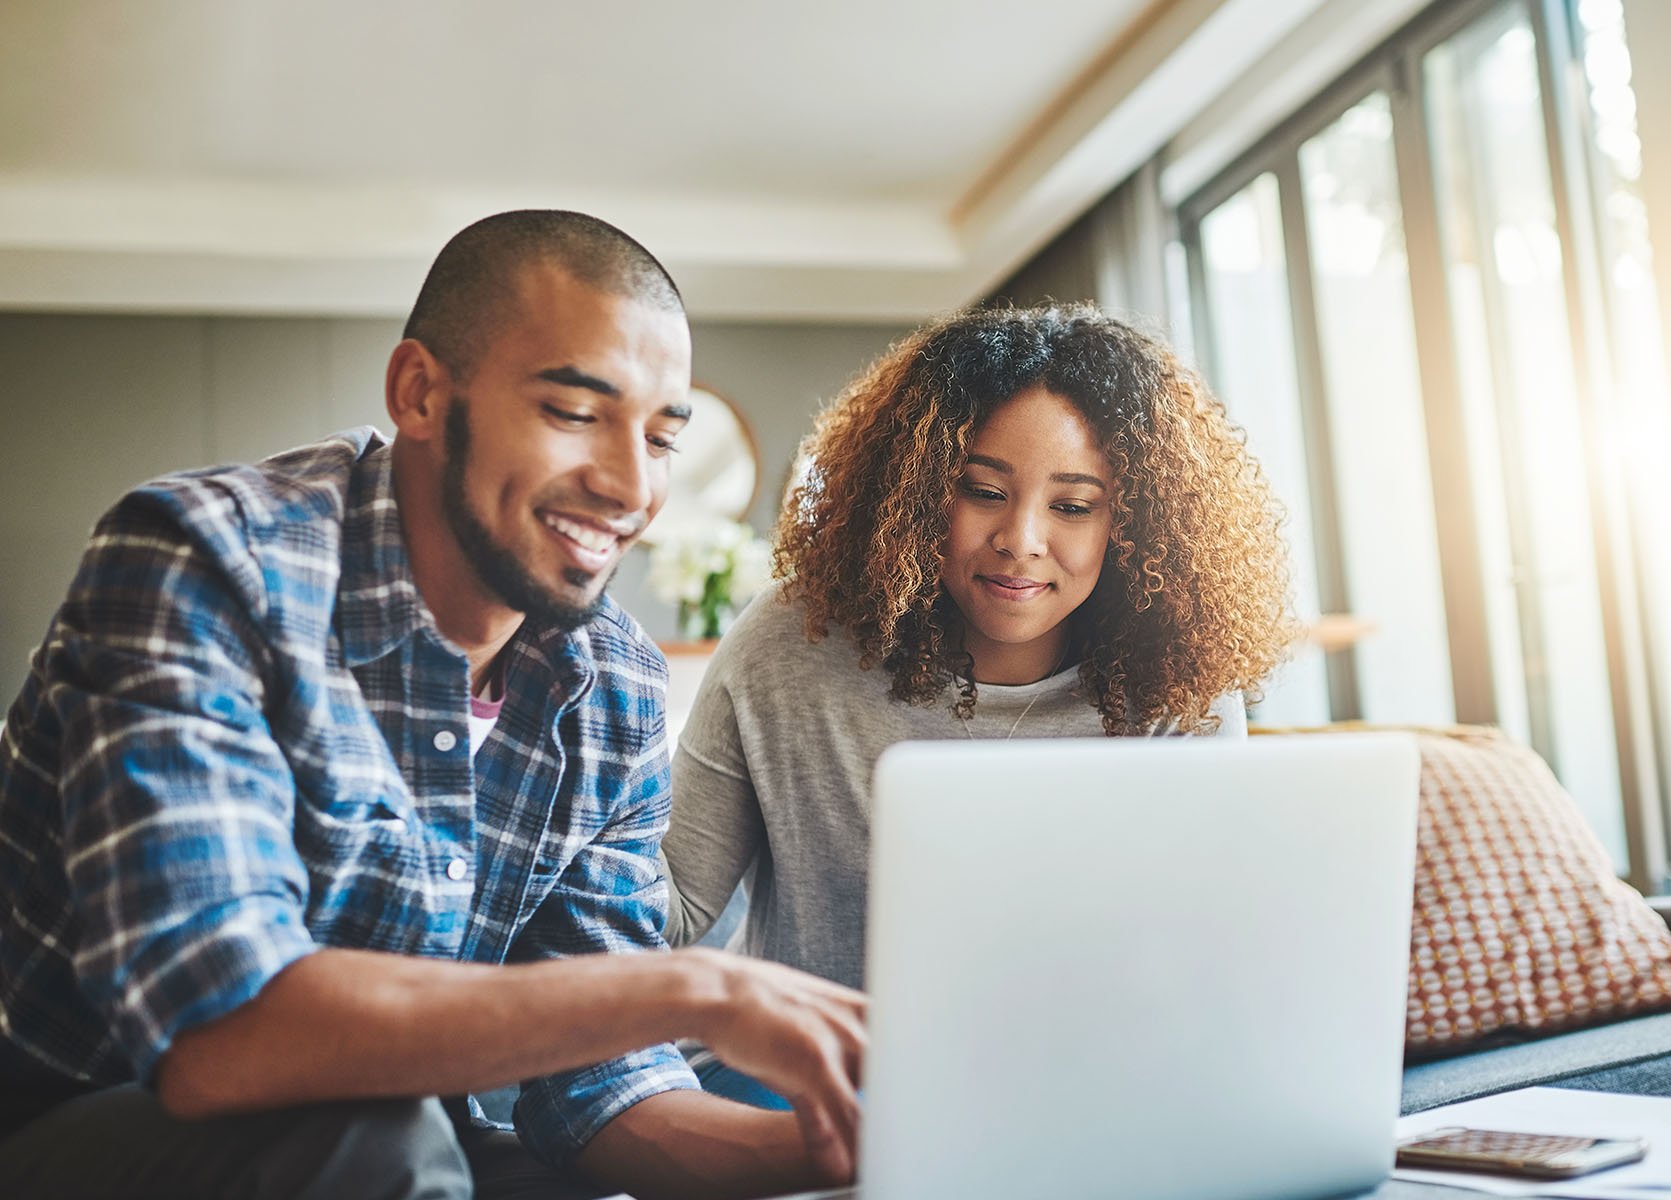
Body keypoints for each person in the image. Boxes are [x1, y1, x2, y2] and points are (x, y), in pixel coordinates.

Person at [0, 210, 865, 1200]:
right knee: (375, 1138)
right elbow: (215, 1032)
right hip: (80, 1132)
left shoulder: (612, 684)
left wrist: (862, 1156)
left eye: (662, 437)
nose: (631, 484)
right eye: (574, 414)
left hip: (402, 1144)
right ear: (419, 393)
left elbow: (598, 1089)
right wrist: (694, 986)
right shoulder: (205, 564)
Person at [661, 304, 1297, 1106]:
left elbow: (1206, 941)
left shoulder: (1176, 682)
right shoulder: (793, 644)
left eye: (1072, 506)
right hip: (812, 1084)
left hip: (1082, 1081)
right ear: (921, 487)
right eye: (983, 491)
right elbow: (671, 908)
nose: (1021, 539)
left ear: (1131, 524)